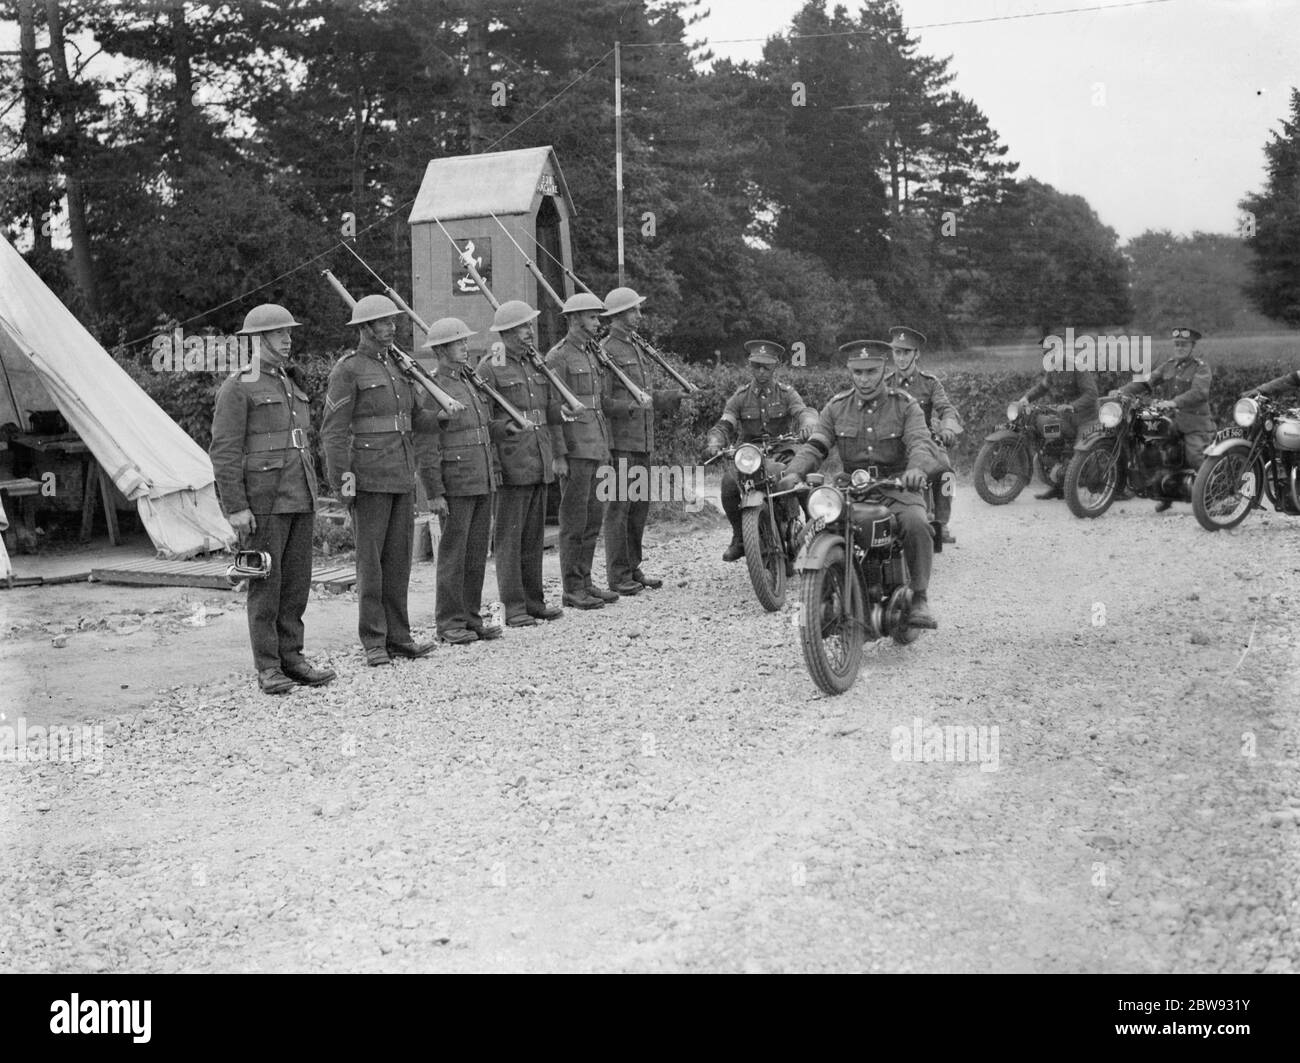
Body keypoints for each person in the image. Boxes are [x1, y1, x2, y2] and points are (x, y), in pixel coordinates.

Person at [210, 303, 336, 694]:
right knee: (266, 585)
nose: (288, 338)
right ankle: (268, 666)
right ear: (258, 339)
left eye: (289, 332)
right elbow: (224, 451)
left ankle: (292, 658)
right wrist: (236, 507)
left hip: (299, 494)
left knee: (296, 585)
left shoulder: (289, 382)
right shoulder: (238, 387)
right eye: (280, 332)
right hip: (263, 501)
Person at [777, 340, 941, 629]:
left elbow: (919, 442)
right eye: (858, 372)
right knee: (808, 534)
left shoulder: (905, 405)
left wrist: (916, 470)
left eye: (871, 371)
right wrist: (794, 472)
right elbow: (816, 446)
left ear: (883, 369)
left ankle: (919, 596)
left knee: (916, 523)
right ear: (850, 371)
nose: (864, 379)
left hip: (896, 486)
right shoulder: (836, 407)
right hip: (848, 488)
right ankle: (823, 597)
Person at [321, 294, 439, 665]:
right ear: (365, 329)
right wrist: (344, 483)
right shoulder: (348, 370)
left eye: (392, 322)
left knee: (399, 562)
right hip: (369, 478)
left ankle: (399, 636)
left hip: (401, 475)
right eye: (384, 323)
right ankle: (374, 641)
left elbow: (415, 419)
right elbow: (333, 433)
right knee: (370, 566)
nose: (392, 327)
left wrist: (448, 415)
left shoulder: (399, 366)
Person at [477, 300, 567, 627]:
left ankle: (534, 601)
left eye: (529, 326)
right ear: (508, 332)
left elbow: (544, 410)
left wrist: (562, 414)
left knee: (533, 538)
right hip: (511, 460)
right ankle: (513, 607)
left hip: (537, 457)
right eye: (524, 327)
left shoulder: (534, 363)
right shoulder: (490, 367)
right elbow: (484, 420)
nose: (530, 332)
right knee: (509, 540)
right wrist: (500, 450)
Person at [421, 317, 502, 644]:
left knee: (475, 553)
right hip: (455, 482)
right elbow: (426, 442)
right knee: (454, 555)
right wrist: (434, 491)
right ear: (441, 350)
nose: (466, 347)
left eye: (465, 342)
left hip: (481, 477)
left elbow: (481, 430)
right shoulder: (432, 387)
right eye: (459, 343)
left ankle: (471, 617)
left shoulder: (470, 382)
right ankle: (450, 622)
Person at [599, 286, 684, 593]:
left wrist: (676, 397)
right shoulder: (607, 350)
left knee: (638, 509)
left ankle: (632, 568)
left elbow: (646, 397)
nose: (639, 314)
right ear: (620, 316)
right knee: (619, 509)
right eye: (634, 310)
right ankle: (618, 575)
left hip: (642, 442)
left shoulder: (636, 347)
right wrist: (634, 406)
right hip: (620, 443)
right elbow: (604, 402)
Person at [702, 340, 818, 562]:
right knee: (728, 483)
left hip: (782, 450)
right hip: (750, 455)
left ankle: (814, 530)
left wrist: (808, 426)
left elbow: (803, 412)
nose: (761, 372)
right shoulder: (740, 397)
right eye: (756, 366)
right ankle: (740, 538)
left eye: (766, 367)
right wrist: (714, 442)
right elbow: (725, 424)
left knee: (798, 478)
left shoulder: (786, 394)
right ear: (750, 367)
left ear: (775, 367)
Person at [545, 292, 618, 609]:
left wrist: (606, 448)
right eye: (592, 317)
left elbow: (598, 404)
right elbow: (552, 408)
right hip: (575, 448)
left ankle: (586, 580)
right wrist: (559, 454)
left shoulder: (591, 353)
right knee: (574, 521)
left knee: (593, 518)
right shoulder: (558, 357)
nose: (597, 322)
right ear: (575, 320)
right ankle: (572, 587)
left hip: (596, 444)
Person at [1114, 326, 1212, 512]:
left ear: (1193, 347)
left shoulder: (1201, 367)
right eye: (1177, 344)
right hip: (1170, 419)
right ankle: (1162, 490)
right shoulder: (1168, 365)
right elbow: (1146, 381)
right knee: (1149, 445)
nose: (1180, 348)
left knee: (1195, 456)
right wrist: (1123, 391)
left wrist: (1174, 402)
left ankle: (1210, 493)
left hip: (1194, 422)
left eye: (1184, 344)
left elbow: (1200, 392)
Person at [883, 326, 962, 541]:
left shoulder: (930, 383)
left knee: (947, 473)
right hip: (893, 443)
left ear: (916, 354)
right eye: (897, 352)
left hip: (924, 442)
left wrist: (947, 428)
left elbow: (947, 409)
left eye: (906, 352)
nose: (900, 358)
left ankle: (942, 522)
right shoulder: (884, 383)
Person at [1014, 336, 1100, 500]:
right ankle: (1058, 487)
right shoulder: (1053, 368)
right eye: (1046, 353)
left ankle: (1102, 484)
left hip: (1085, 419)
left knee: (1080, 453)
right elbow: (1043, 387)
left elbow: (1092, 393)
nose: (1049, 355)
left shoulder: (1077, 366)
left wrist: (1072, 406)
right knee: (1051, 444)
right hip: (1066, 418)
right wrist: (1026, 398)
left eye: (1052, 351)